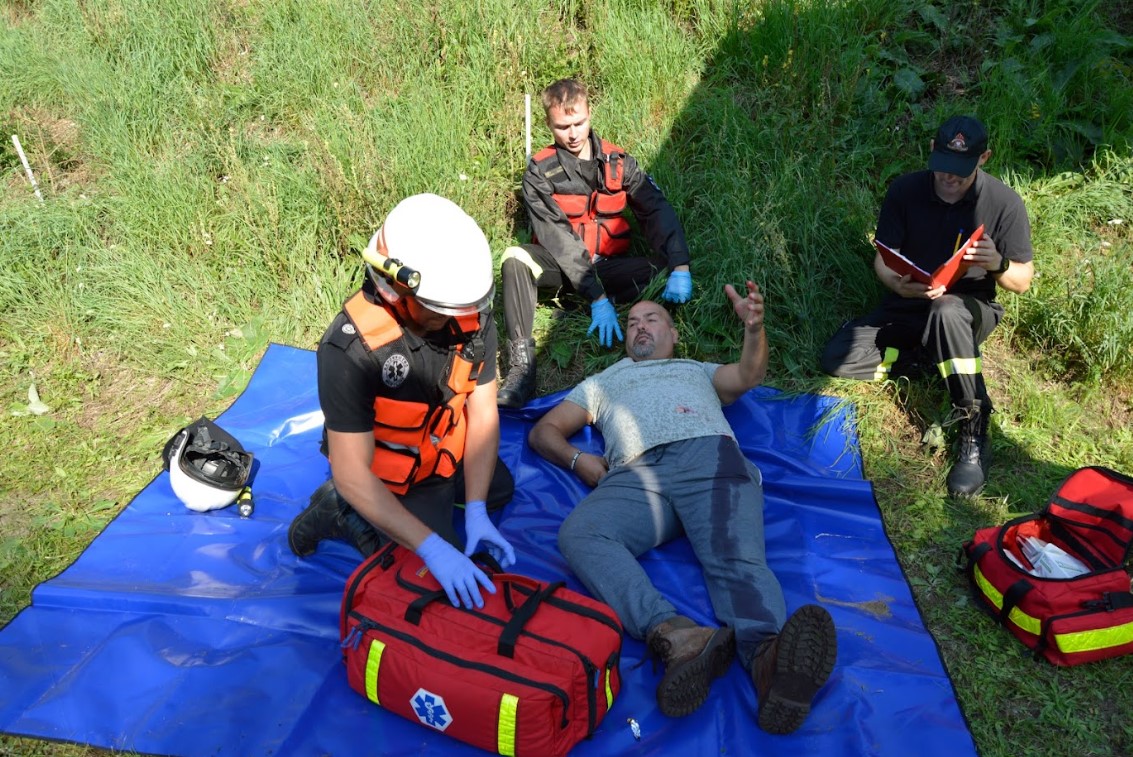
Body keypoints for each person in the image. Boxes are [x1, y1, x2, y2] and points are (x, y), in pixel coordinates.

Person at [528, 285, 837, 734]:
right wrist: (579, 461)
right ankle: (678, 635)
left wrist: (754, 328)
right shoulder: (602, 382)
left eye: (651, 319)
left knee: (735, 560)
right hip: (635, 478)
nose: (640, 326)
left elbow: (748, 376)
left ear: (673, 335)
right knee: (579, 533)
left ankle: (770, 662)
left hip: (706, 459)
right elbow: (545, 431)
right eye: (632, 322)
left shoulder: (695, 369)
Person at [288, 194, 517, 611]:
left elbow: (483, 412)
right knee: (434, 589)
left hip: (440, 453)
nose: (453, 320)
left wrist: (478, 508)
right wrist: (432, 548)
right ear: (395, 289)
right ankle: (340, 511)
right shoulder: (350, 350)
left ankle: (455, 504)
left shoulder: (466, 309)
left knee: (500, 489)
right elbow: (354, 472)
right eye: (438, 310)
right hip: (388, 476)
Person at [820, 115, 1034, 496]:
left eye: (959, 172)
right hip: (910, 302)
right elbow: (883, 260)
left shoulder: (1004, 203)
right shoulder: (906, 190)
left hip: (969, 311)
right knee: (836, 358)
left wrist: (997, 264)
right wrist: (896, 285)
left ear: (983, 158)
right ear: (931, 152)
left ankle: (973, 426)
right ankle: (926, 360)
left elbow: (1022, 281)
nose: (948, 178)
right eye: (942, 169)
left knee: (947, 310)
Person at [497, 78, 694, 409]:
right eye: (563, 127)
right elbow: (557, 236)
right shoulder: (538, 173)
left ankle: (651, 342)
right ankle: (522, 369)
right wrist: (597, 296)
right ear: (549, 124)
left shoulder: (620, 163)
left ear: (590, 114)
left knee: (660, 271)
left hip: (609, 266)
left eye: (579, 123)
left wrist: (680, 264)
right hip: (561, 268)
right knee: (515, 257)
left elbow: (656, 210)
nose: (573, 134)